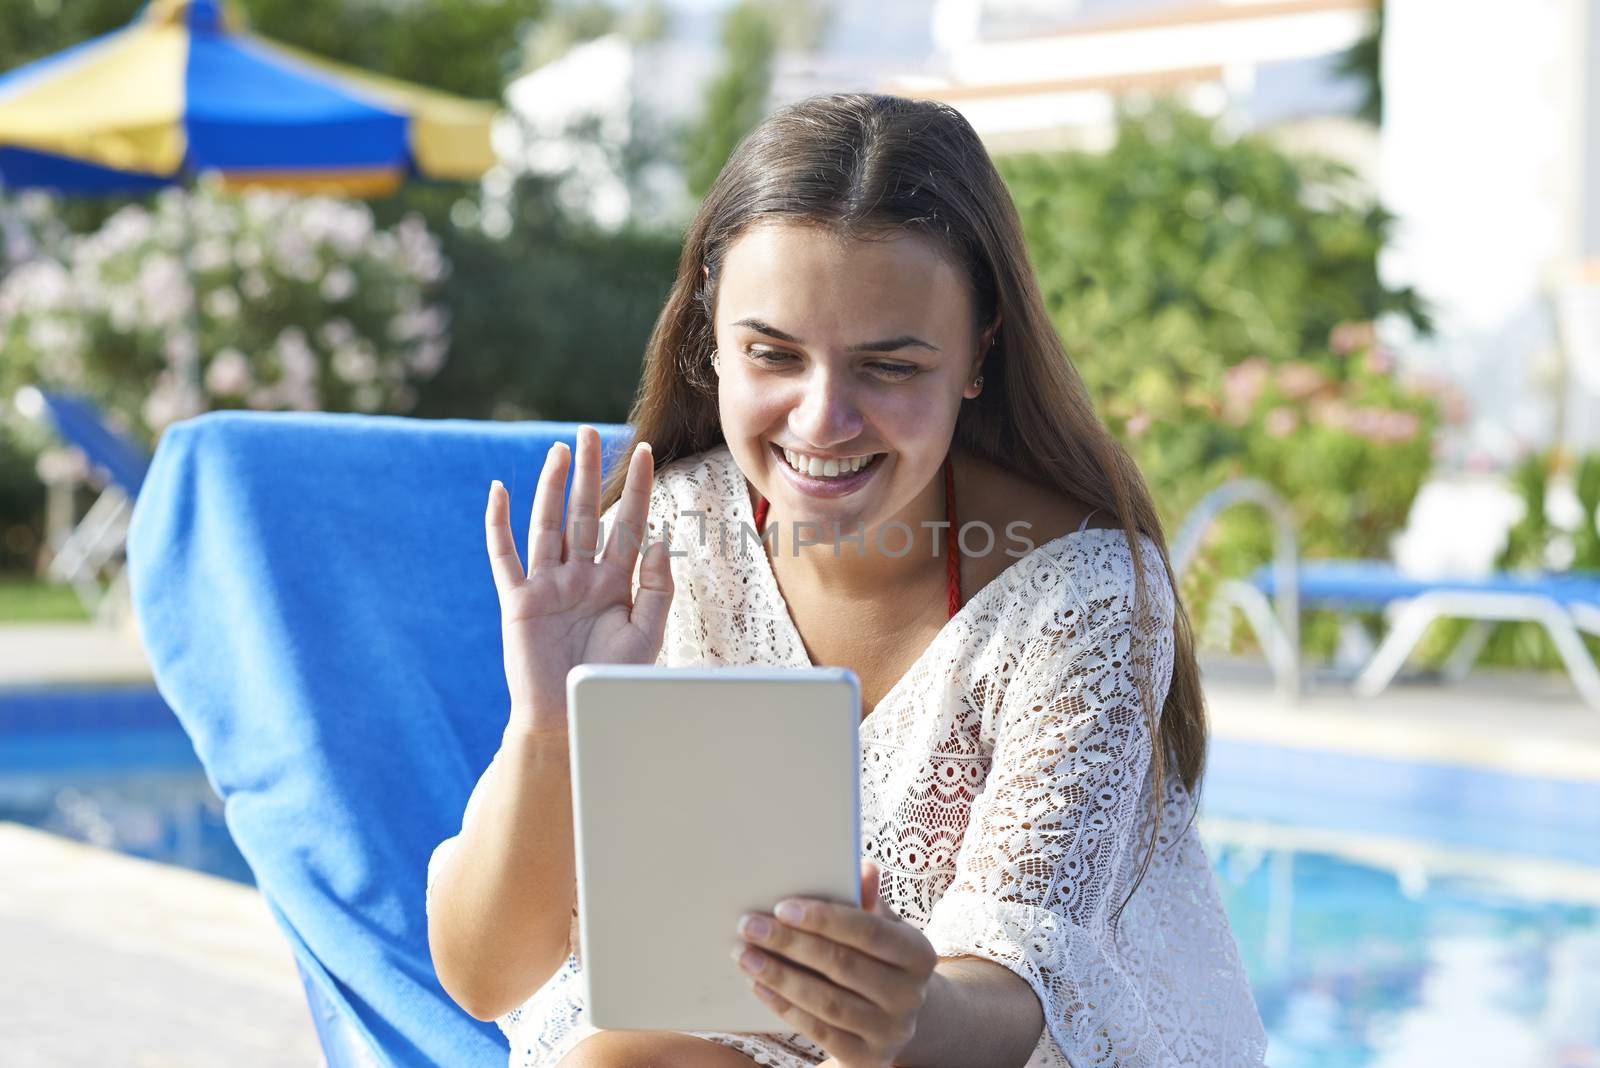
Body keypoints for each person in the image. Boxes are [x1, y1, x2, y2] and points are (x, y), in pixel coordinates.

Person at [426, 92, 1267, 1068]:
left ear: (978, 348)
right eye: (772, 353)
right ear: (709, 336)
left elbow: (1013, 991)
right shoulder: (659, 545)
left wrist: (903, 1020)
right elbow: (487, 979)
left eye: (888, 366)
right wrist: (550, 729)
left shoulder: (1084, 596)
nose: (823, 420)